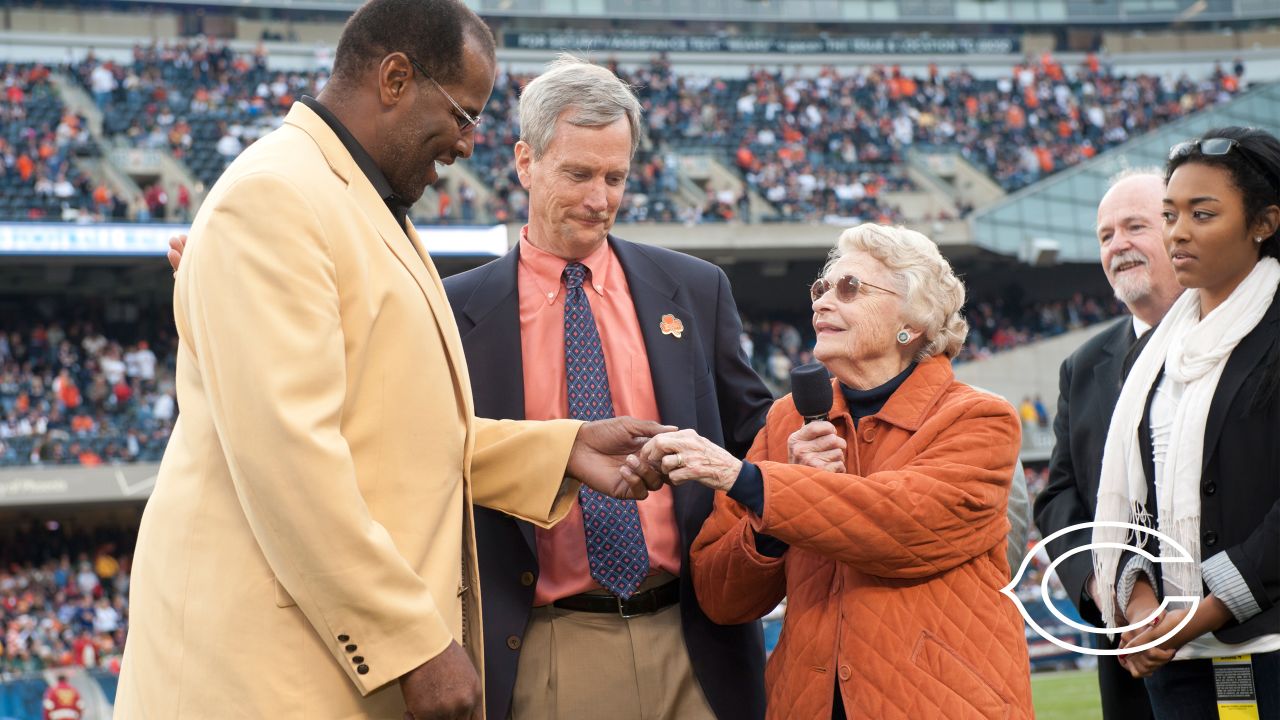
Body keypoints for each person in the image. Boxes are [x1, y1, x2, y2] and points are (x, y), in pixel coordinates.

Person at [116, 3, 666, 719]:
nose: (470, 144)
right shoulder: (274, 197)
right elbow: (291, 461)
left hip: (320, 666)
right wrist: (412, 642)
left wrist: (563, 451)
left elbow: (397, 428)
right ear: (396, 78)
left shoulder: (364, 203)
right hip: (265, 675)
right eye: (464, 115)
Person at [441, 55, 773, 720]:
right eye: (579, 173)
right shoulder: (449, 312)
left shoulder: (697, 290)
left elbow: (756, 436)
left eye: (615, 177)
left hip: (698, 644)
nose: (600, 198)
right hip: (547, 648)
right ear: (524, 161)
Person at [631, 223, 1035, 719]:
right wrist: (771, 529)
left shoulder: (976, 418)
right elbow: (719, 594)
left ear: (913, 322)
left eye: (850, 288)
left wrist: (757, 483)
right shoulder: (786, 420)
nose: (822, 302)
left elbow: (902, 527)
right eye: (821, 288)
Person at [1095, 126, 1280, 717]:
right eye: (1170, 213)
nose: (1179, 231)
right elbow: (1137, 505)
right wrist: (1144, 599)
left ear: (1264, 223)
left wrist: (1211, 605)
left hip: (1267, 644)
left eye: (1202, 213)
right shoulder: (1152, 355)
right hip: (1176, 657)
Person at [1033, 169, 1181, 720]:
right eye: (1105, 236)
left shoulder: (1254, 339)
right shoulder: (1084, 366)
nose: (1118, 245)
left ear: (1178, 231)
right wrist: (1112, 593)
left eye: (1134, 227)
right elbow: (1059, 499)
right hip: (1129, 659)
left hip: (1244, 637)